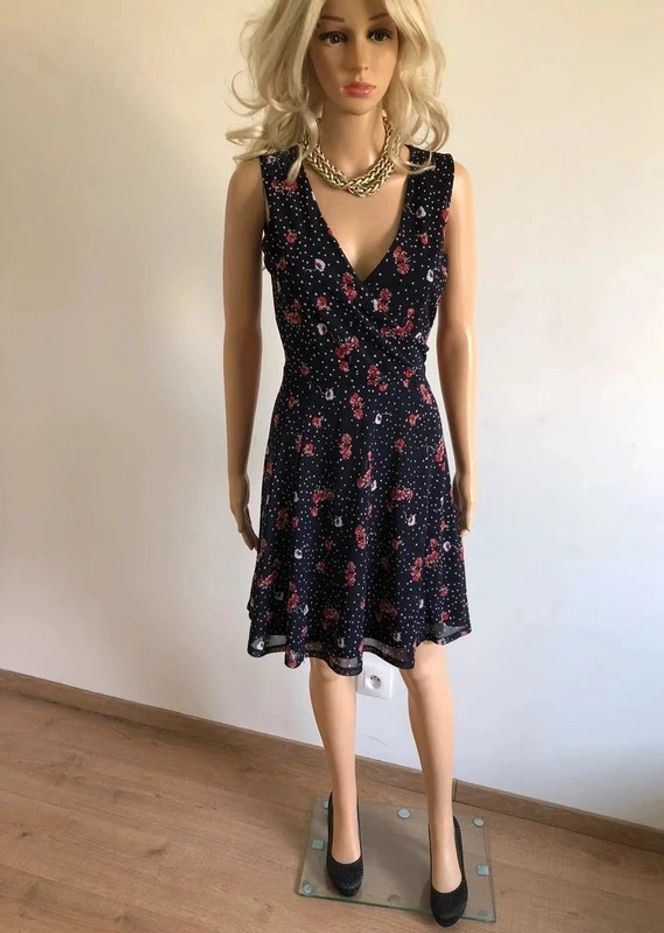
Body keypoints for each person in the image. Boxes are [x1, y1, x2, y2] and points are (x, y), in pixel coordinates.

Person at [222, 0, 476, 925]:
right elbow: (241, 335)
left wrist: (469, 462)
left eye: (380, 30)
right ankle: (349, 822)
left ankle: (442, 833)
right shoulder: (263, 186)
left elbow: (458, 338)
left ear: (405, 45)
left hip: (409, 456)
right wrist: (234, 463)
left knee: (423, 657)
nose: (358, 55)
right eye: (333, 32)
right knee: (331, 651)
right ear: (303, 47)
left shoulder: (445, 185)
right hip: (311, 453)